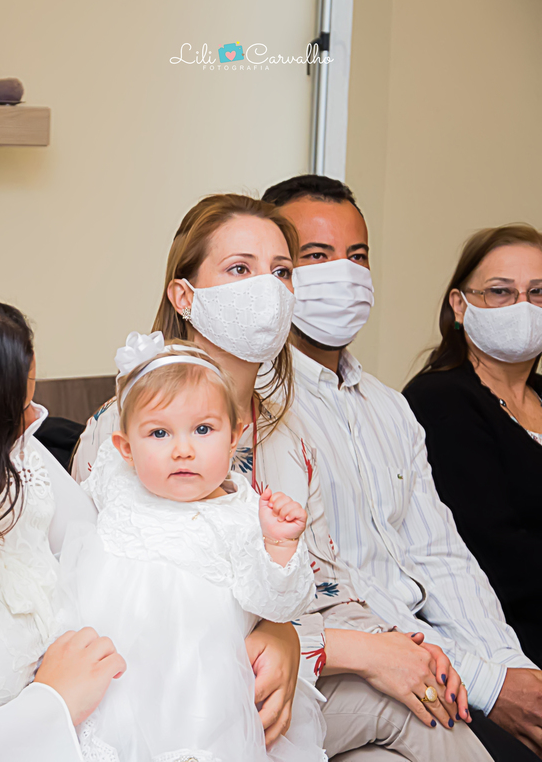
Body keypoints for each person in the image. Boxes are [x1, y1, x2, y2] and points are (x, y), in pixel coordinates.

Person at [73, 193, 491, 760]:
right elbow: (94, 586)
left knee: (413, 718)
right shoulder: (123, 432)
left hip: (285, 678)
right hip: (164, 689)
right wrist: (347, 651)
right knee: (421, 722)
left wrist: (398, 647)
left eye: (281, 272)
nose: (266, 290)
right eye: (240, 270)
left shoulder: (288, 432)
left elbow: (324, 580)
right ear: (184, 295)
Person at [0, 280, 305, 761]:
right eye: (17, 412)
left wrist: (274, 629)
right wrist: (51, 706)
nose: (37, 421)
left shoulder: (22, 461)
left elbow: (150, 554)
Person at [263, 174, 542, 761]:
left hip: (445, 654)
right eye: (317, 256)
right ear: (280, 274)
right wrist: (487, 684)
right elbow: (332, 584)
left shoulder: (388, 406)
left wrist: (513, 669)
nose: (344, 272)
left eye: (357, 256)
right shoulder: (260, 406)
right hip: (373, 664)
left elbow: (441, 555)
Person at [65, 336, 325, 762]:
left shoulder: (243, 514)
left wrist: (279, 543)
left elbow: (275, 604)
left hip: (201, 692)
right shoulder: (114, 481)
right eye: (159, 432)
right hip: (113, 678)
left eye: (203, 429)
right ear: (125, 449)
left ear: (235, 436)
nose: (182, 449)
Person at [403, 225, 542, 705]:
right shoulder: (440, 401)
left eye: (538, 292)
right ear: (460, 306)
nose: (522, 306)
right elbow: (493, 552)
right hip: (500, 642)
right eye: (500, 292)